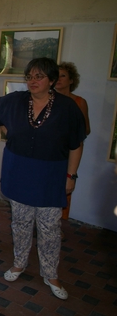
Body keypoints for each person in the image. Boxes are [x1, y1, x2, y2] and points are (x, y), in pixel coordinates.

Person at [0, 57, 86, 300]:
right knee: (20, 222)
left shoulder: (67, 107)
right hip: (18, 170)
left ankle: (50, 273)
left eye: (39, 76)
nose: (32, 81)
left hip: (51, 174)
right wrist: (6, 130)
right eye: (30, 76)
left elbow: (76, 145)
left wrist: (71, 175)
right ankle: (19, 263)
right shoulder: (16, 100)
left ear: (52, 80)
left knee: (49, 227)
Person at [55, 62, 90, 221]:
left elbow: (85, 129)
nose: (59, 79)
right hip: (50, 151)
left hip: (69, 151)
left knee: (65, 187)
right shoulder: (49, 99)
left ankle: (59, 223)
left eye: (63, 76)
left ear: (71, 80)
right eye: (56, 75)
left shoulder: (79, 102)